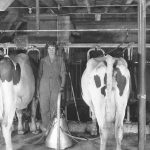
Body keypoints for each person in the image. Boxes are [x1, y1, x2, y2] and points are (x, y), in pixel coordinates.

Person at [37, 42, 66, 131]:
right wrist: (37, 90)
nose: (51, 50)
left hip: (56, 86)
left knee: (54, 108)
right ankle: (46, 128)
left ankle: (54, 129)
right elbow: (39, 75)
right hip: (44, 86)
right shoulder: (43, 60)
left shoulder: (60, 60)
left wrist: (62, 86)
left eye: (53, 48)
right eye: (49, 49)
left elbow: (63, 73)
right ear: (47, 50)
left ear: (56, 50)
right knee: (44, 108)